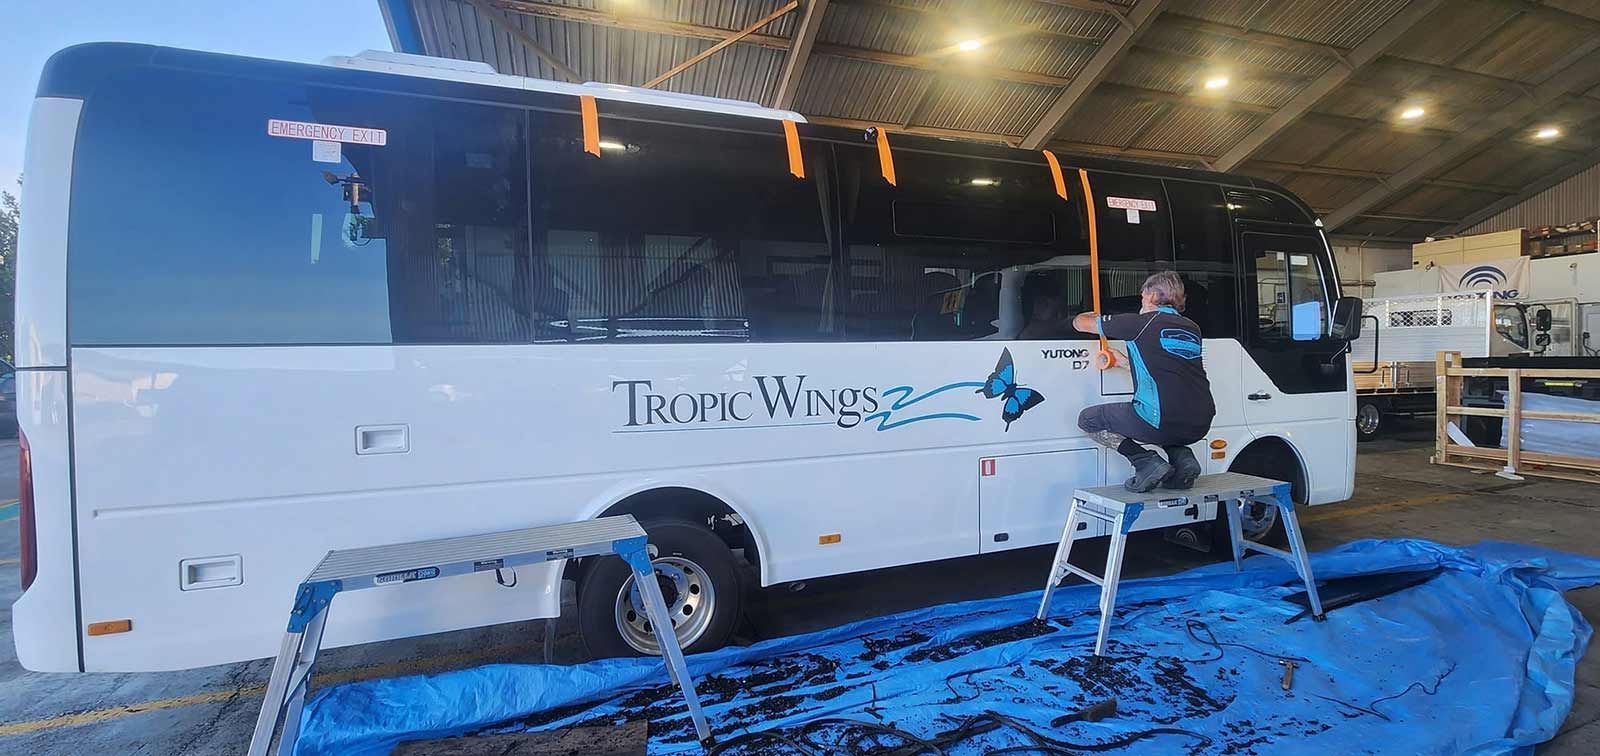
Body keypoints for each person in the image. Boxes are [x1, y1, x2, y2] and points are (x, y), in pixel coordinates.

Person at [1071, 271, 1215, 493]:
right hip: (1200, 422)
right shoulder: (1191, 327)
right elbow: (1168, 367)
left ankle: (1146, 463)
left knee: (1088, 419)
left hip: (1160, 420)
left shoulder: (1139, 324)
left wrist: (1088, 313)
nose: (1141, 301)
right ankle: (1184, 460)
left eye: (1142, 297)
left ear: (1151, 296)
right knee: (1168, 420)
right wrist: (1126, 363)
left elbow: (1081, 324)